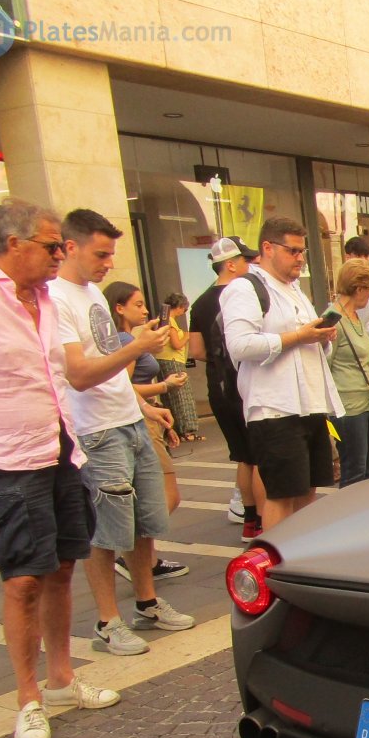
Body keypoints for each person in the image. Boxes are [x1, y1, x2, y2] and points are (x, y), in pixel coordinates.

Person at [0, 199, 121, 738]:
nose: (58, 255)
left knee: (62, 566)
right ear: (13, 244)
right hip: (1, 456)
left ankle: (61, 680)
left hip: (58, 447)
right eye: (50, 246)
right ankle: (28, 699)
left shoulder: (47, 299)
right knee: (22, 578)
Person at [49, 208, 194, 656]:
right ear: (70, 247)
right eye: (101, 254)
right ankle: (107, 621)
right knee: (107, 531)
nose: (109, 263)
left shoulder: (91, 292)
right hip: (95, 428)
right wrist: (137, 347)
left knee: (146, 521)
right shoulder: (56, 299)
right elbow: (78, 374)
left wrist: (144, 406)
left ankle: (146, 603)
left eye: (111, 254)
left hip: (127, 418)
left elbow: (109, 366)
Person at [222, 216, 342, 531]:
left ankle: (300, 554)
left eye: (303, 252)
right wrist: (298, 337)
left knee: (308, 491)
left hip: (310, 404)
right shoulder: (245, 288)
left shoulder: (296, 291)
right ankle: (276, 556)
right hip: (275, 409)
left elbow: (310, 347)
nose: (300, 259)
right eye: (293, 251)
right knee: (282, 495)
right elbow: (240, 345)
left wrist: (322, 338)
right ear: (268, 248)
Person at [104, 280, 189, 582]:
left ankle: (144, 559)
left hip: (147, 415)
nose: (144, 310)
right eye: (137, 304)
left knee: (158, 494)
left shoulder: (127, 339)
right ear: (119, 308)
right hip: (140, 417)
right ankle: (136, 557)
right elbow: (122, 385)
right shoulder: (126, 340)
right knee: (167, 495)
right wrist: (164, 386)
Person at [190, 237, 264, 541]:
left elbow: (196, 350)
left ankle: (249, 519)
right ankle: (263, 520)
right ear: (231, 265)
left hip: (217, 386)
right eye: (245, 260)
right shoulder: (244, 295)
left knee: (244, 456)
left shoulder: (200, 303)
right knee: (260, 455)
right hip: (244, 383)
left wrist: (218, 356)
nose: (250, 265)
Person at [325, 259, 369, 485]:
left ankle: (366, 507)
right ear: (359, 288)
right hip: (348, 406)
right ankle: (350, 508)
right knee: (354, 471)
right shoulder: (333, 319)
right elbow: (324, 366)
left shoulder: (356, 316)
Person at [156, 293, 200, 440]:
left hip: (164, 359)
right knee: (182, 395)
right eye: (184, 309)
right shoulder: (170, 321)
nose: (183, 313)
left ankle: (174, 429)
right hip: (173, 360)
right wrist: (187, 336)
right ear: (180, 307)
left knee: (170, 396)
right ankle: (188, 430)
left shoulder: (162, 319)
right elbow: (176, 344)